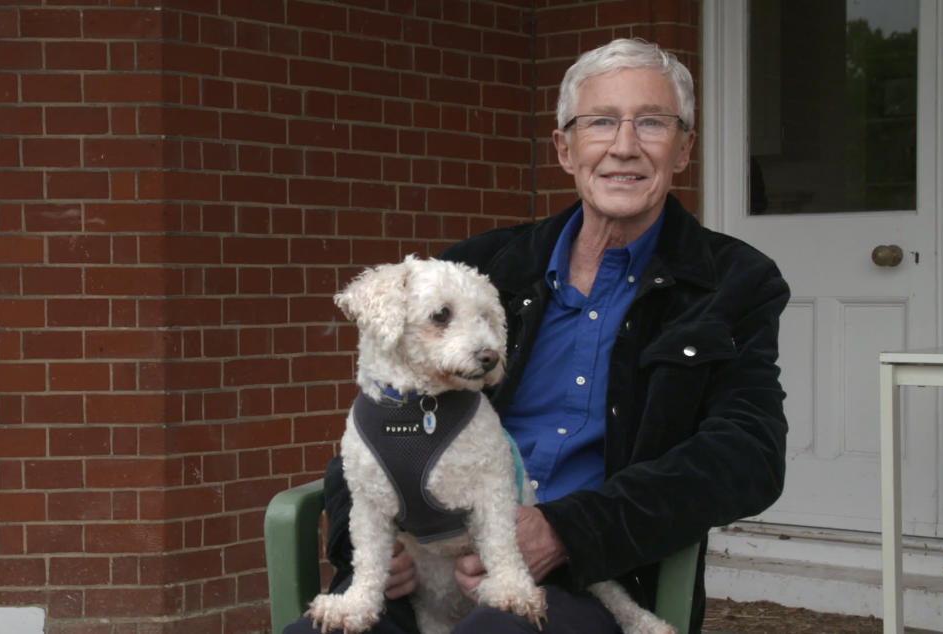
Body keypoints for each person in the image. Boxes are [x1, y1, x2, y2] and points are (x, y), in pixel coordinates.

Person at [284, 37, 789, 634]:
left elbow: (748, 454)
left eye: (652, 123)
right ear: (564, 147)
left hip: (587, 577)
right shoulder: (483, 268)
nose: (623, 147)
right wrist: (364, 549)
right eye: (600, 122)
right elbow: (376, 420)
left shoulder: (733, 283)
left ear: (684, 150)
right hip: (426, 564)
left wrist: (568, 531)